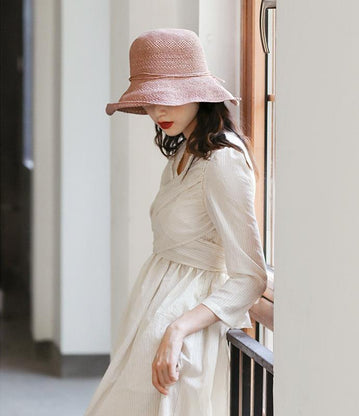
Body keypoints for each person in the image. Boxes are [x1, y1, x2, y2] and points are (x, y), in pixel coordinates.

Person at [84, 28, 268, 416]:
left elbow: (250, 275)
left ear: (198, 92)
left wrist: (180, 327)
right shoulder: (186, 150)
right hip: (153, 306)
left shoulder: (223, 159)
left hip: (187, 324)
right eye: (150, 102)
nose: (157, 112)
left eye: (167, 99)